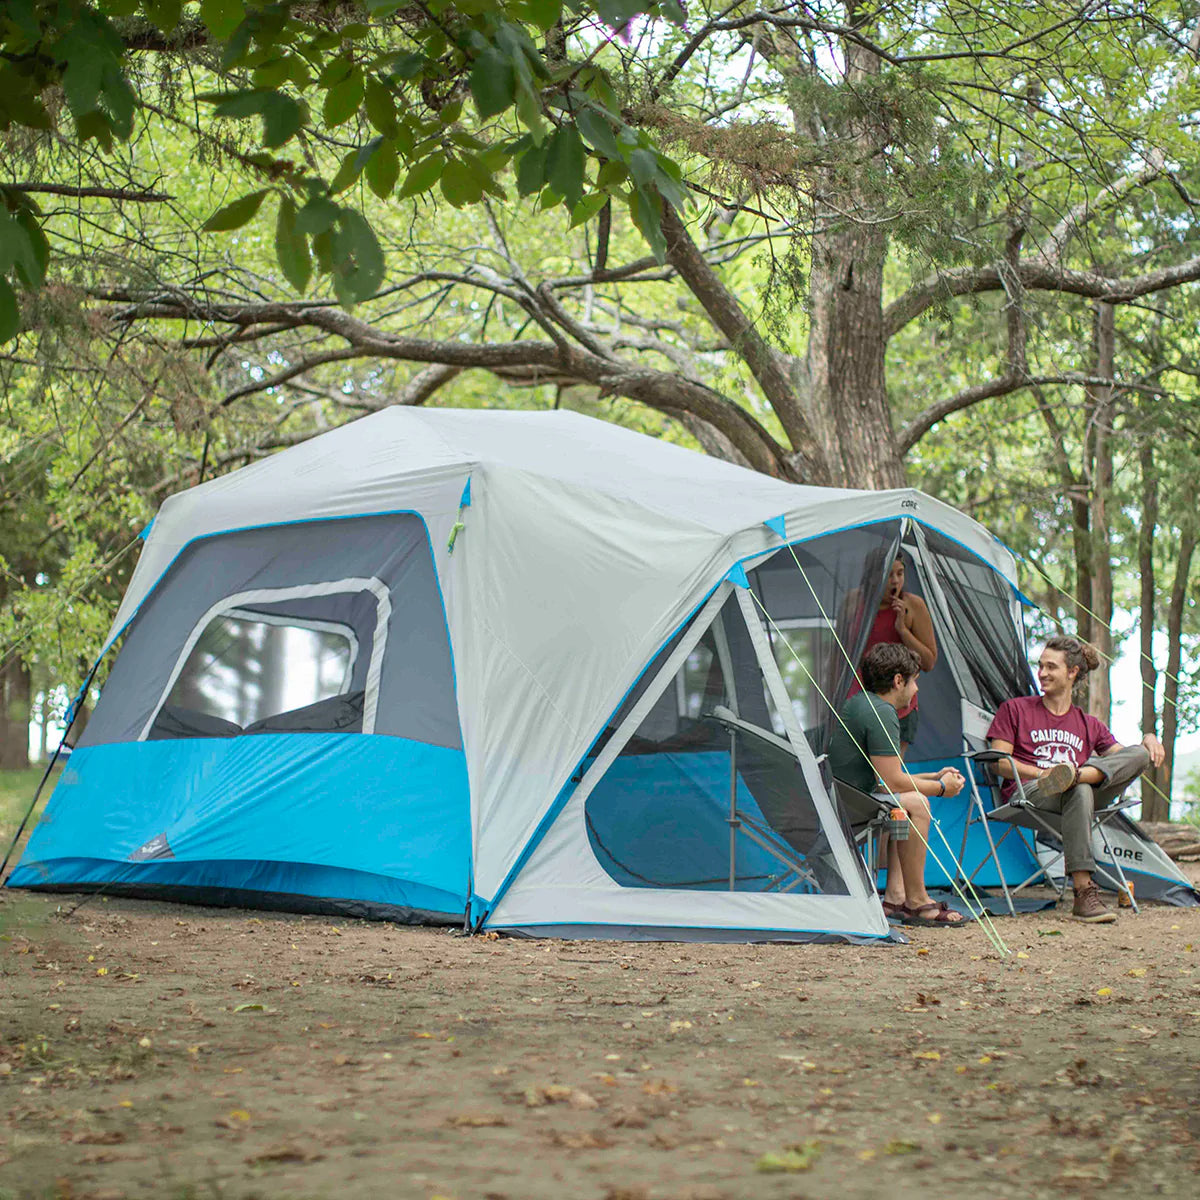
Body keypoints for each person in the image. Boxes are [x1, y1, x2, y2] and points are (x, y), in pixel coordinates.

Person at [987, 635, 1165, 924]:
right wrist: (1044, 774)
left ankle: (1077, 775)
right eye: (1040, 665)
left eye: (1051, 667)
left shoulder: (1088, 723)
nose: (1042, 673)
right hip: (1032, 791)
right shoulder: (1016, 709)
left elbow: (1128, 760)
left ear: (1072, 672)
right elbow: (997, 762)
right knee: (1080, 790)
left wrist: (1148, 738)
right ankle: (1083, 893)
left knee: (1135, 757)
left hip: (1079, 791)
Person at [829, 643, 967, 927]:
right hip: (846, 804)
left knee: (899, 807)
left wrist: (934, 776)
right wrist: (941, 788)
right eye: (914, 680)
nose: (916, 690)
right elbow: (891, 781)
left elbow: (885, 778)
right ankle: (917, 901)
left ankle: (894, 897)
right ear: (898, 680)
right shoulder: (881, 712)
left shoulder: (863, 703)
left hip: (843, 796)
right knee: (916, 804)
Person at [849, 555, 938, 752]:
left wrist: (903, 631)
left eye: (900, 573)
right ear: (872, 576)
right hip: (858, 702)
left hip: (899, 707)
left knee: (888, 777)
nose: (896, 581)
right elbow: (839, 655)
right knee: (857, 770)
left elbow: (929, 663)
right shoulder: (854, 602)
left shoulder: (914, 605)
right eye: (889, 575)